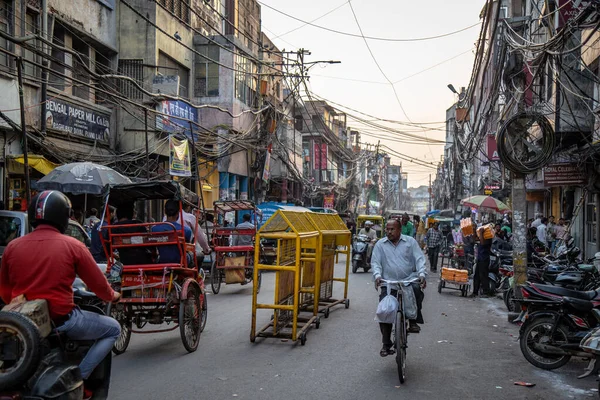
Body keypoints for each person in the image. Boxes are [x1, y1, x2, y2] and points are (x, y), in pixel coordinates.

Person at [0, 190, 120, 400]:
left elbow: (5, 292)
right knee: (113, 329)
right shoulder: (73, 245)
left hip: (20, 325)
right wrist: (113, 295)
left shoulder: (12, 247)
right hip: (62, 322)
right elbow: (99, 287)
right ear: (63, 216)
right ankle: (80, 378)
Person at [372, 219, 426, 357]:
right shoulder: (380, 244)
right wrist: (377, 276)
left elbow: (419, 258)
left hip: (408, 280)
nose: (389, 232)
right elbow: (376, 263)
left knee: (416, 289)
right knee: (385, 311)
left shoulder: (410, 242)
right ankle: (386, 344)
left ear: (399, 230)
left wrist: (421, 274)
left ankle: (413, 321)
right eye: (387, 229)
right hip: (388, 283)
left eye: (392, 229)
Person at [152, 200, 194, 264]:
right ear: (178, 213)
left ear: (165, 212)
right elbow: (187, 247)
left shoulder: (155, 229)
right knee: (193, 255)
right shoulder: (186, 230)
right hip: (180, 261)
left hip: (162, 260)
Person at [471, 225, 493, 297]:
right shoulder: (482, 237)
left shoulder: (488, 238)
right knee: (476, 276)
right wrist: (474, 232)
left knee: (483, 276)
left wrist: (480, 233)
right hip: (480, 259)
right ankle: (475, 292)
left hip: (484, 259)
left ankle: (486, 292)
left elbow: (483, 243)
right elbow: (475, 240)